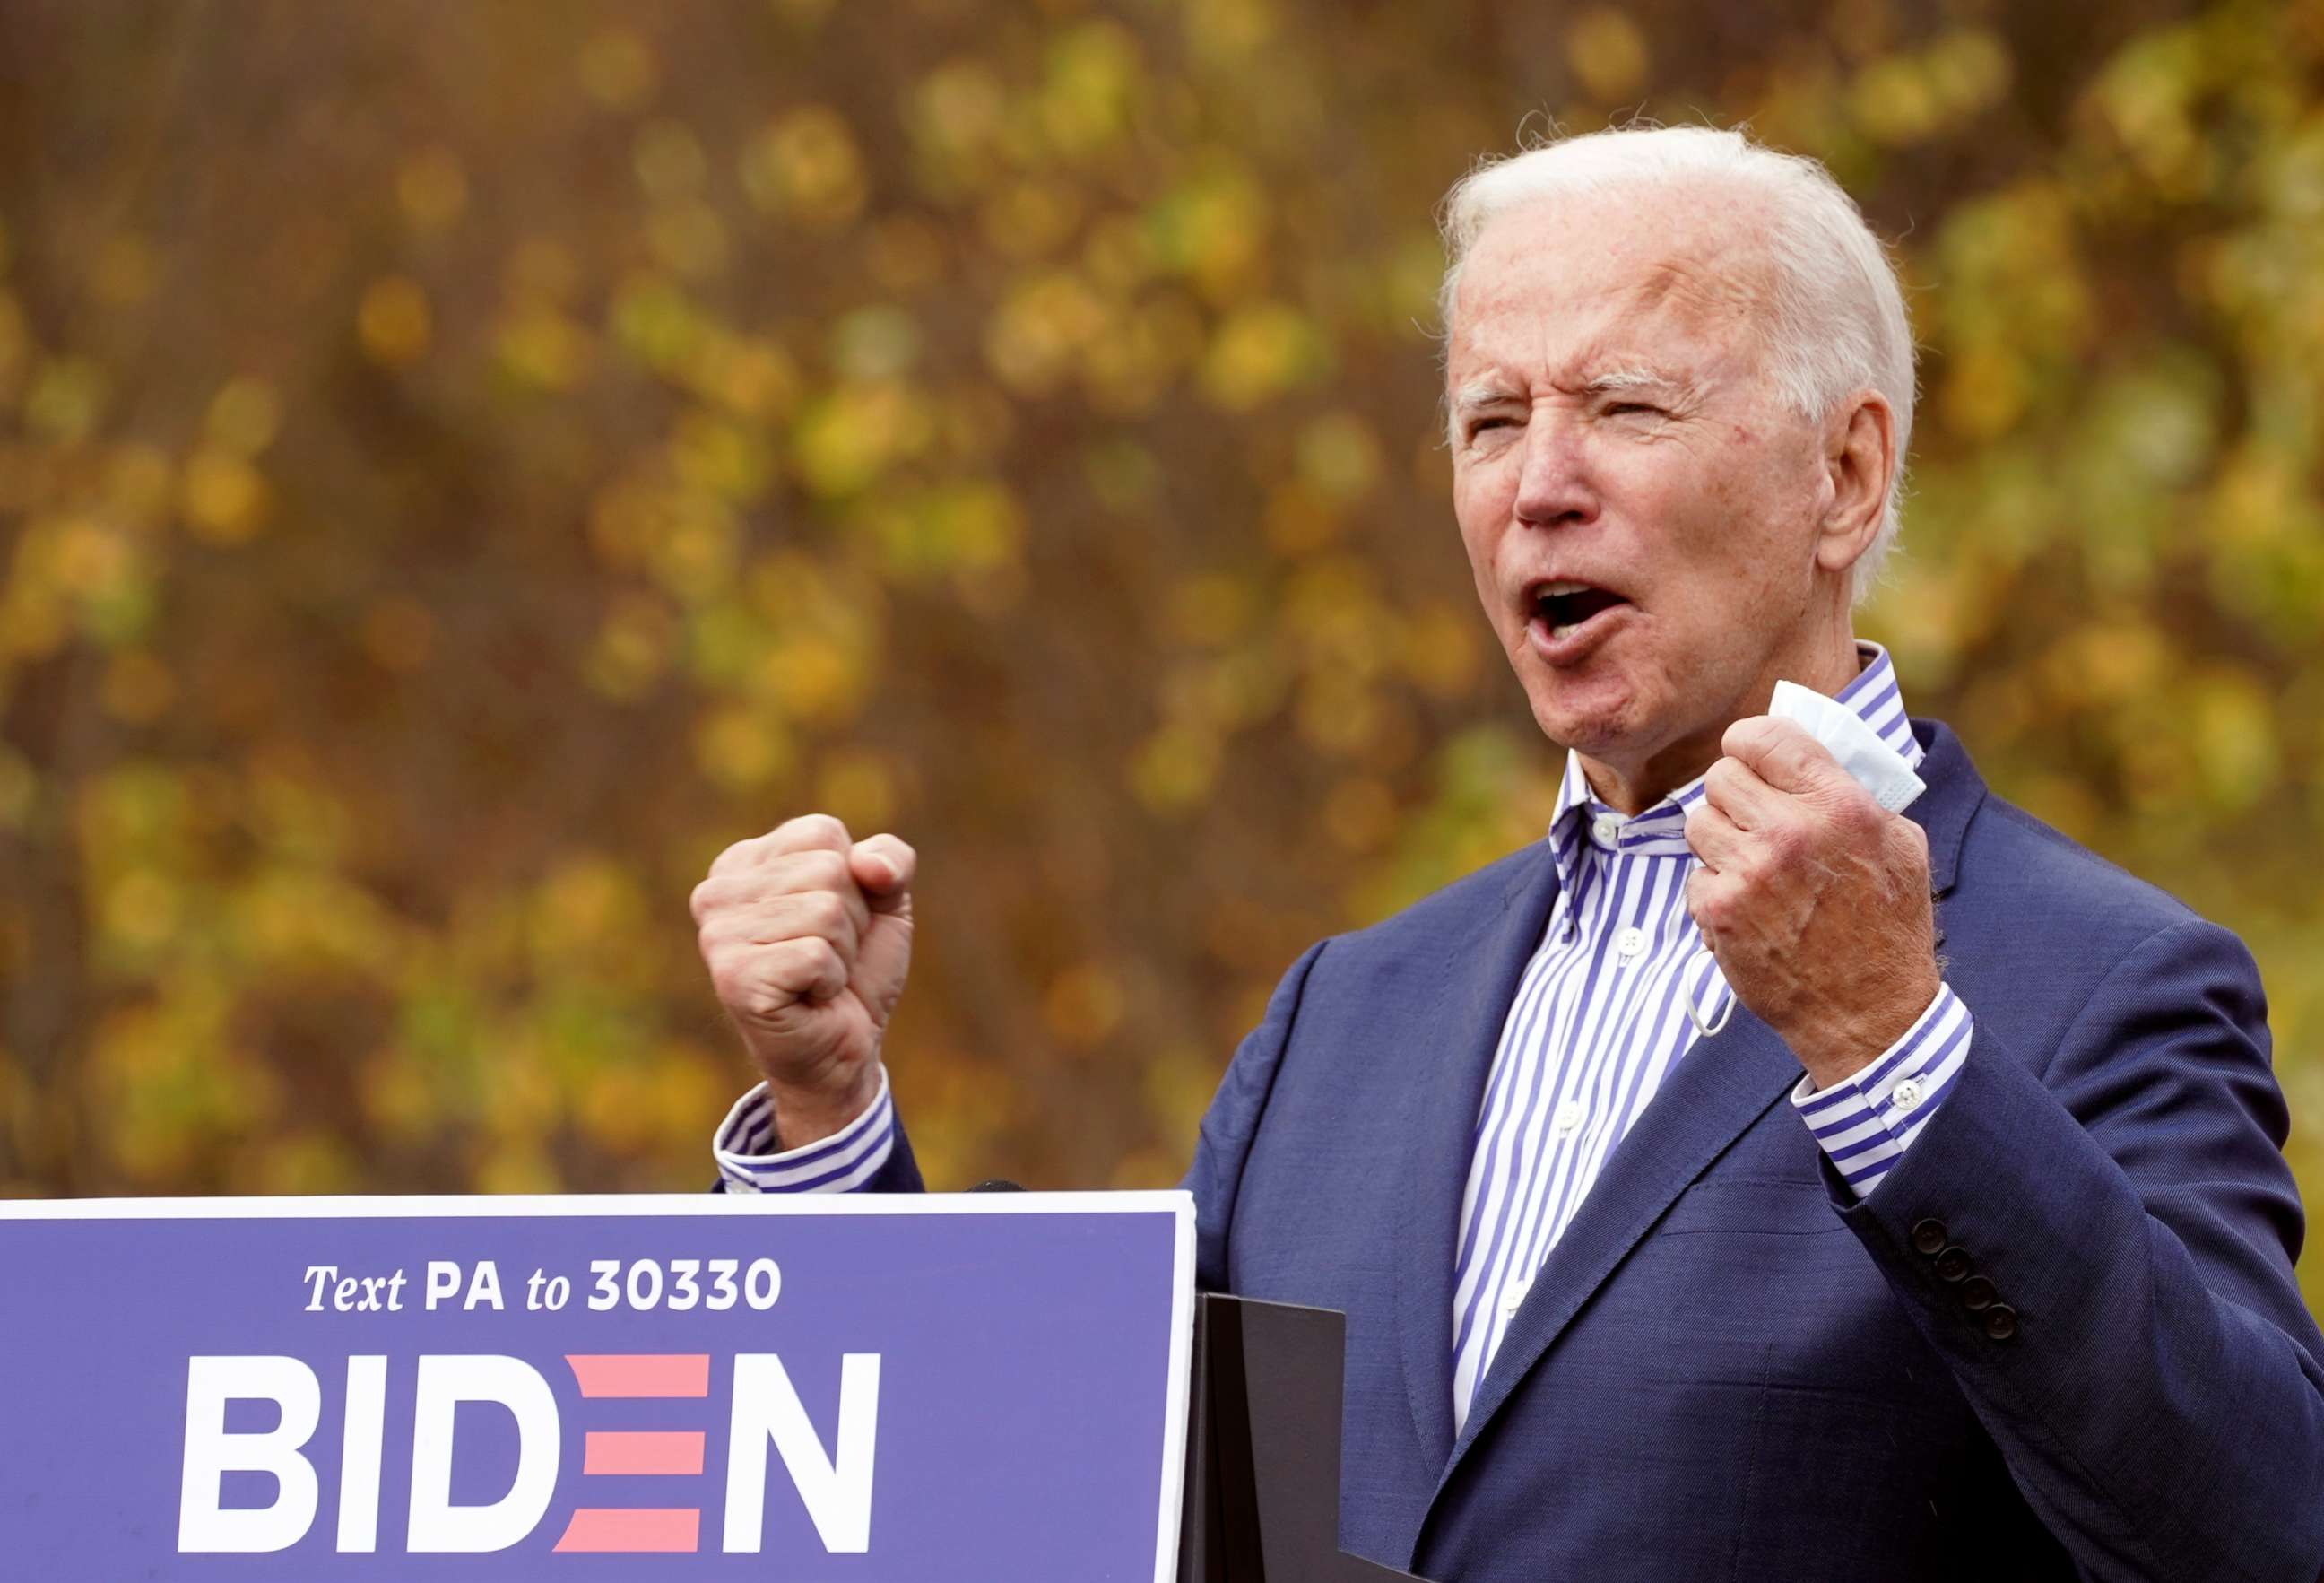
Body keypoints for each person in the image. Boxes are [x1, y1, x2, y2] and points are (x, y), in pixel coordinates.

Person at [684, 126, 2324, 1580]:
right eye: (1489, 420)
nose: (1540, 486)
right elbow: (1083, 1486)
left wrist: (1894, 1054)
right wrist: (832, 1110)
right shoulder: (1349, 1013)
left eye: (1625, 404)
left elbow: (2265, 1524)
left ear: (1846, 472)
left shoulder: (2102, 982)